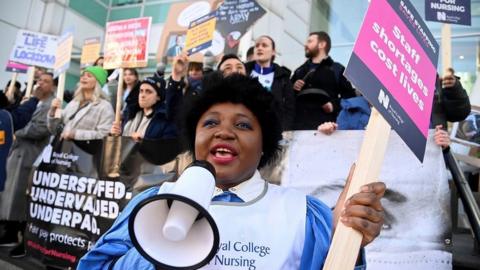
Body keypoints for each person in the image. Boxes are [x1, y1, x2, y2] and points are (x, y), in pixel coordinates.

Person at [78, 74, 385, 269]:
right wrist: (158, 252)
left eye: (243, 125)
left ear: (264, 144)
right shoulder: (151, 205)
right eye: (210, 123)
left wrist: (347, 242)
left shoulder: (306, 214)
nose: (224, 132)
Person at [0, 72, 57, 257]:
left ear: (53, 86)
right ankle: (9, 231)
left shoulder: (51, 104)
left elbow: (40, 128)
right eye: (39, 80)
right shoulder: (29, 101)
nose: (41, 84)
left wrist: (16, 130)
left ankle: (22, 237)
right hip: (16, 152)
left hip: (32, 153)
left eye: (46, 81)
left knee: (24, 197)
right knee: (11, 195)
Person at [291, 31, 356, 130]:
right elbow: (288, 99)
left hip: (326, 128)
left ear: (322, 44)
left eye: (310, 41)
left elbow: (350, 97)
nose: (305, 45)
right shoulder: (299, 70)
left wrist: (333, 105)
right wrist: (294, 88)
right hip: (298, 127)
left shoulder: (337, 69)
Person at [47, 66, 114, 140]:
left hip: (81, 150)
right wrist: (53, 111)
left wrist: (75, 134)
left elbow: (104, 134)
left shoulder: (105, 106)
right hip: (60, 149)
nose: (84, 78)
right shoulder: (74, 102)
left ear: (98, 82)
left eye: (89, 76)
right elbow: (53, 129)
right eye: (83, 75)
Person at [245, 35, 295, 130]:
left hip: (272, 130)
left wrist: (283, 130)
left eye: (264, 45)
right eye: (257, 46)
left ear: (273, 52)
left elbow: (289, 109)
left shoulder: (283, 78)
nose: (259, 48)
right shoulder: (243, 72)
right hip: (245, 128)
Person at [110, 76, 179, 141]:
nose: (143, 95)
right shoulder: (130, 114)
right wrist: (115, 134)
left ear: (158, 97)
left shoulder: (164, 119)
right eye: (141, 91)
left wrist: (144, 141)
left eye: (148, 92)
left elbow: (167, 147)